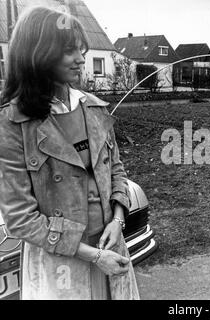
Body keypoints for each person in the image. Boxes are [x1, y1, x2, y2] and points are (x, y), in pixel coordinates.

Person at [0, 6, 140, 300]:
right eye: (68, 50)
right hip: (60, 262)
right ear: (38, 54)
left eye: (81, 48)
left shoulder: (95, 108)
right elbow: (20, 217)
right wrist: (91, 255)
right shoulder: (12, 124)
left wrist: (117, 220)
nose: (81, 58)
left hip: (110, 248)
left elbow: (116, 170)